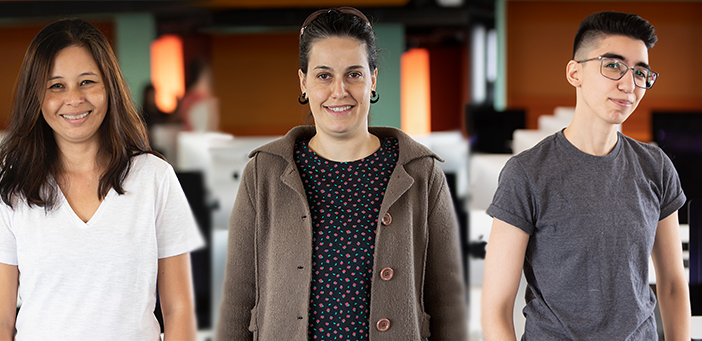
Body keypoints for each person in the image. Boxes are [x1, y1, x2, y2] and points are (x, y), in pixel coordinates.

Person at [216, 7, 467, 340]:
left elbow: (447, 304)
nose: (339, 91)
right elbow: (238, 296)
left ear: (372, 79)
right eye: (323, 75)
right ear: (303, 81)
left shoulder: (420, 173)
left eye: (354, 74)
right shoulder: (264, 172)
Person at [0, 19, 204, 340]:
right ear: (36, 97)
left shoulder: (154, 178)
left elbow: (179, 309)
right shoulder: (14, 188)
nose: (74, 99)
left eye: (87, 82)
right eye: (56, 86)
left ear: (110, 87)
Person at [481, 11, 691, 340]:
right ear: (574, 73)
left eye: (641, 72)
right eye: (613, 65)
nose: (629, 84)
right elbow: (496, 308)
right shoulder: (527, 173)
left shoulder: (656, 166)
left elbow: (674, 286)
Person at [177, 59, 220, 133]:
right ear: (204, 75)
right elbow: (209, 128)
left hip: (189, 140)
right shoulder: (204, 100)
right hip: (200, 140)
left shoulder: (186, 98)